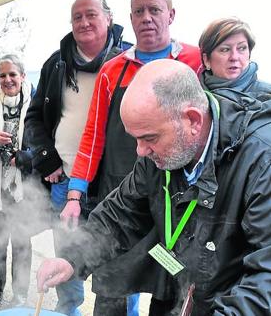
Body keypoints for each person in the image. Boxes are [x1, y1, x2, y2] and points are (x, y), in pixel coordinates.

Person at [37, 58, 271, 315]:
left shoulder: (262, 160)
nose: (140, 150)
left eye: (149, 138)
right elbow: (121, 213)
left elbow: (265, 276)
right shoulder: (159, 155)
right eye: (136, 138)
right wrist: (72, 258)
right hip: (177, 294)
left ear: (193, 120)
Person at [63, 0, 201, 313]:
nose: (146, 17)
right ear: (130, 17)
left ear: (171, 15)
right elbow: (93, 134)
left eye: (155, 9)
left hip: (175, 206)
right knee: (112, 286)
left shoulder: (195, 60)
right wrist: (74, 193)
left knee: (173, 288)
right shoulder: (113, 69)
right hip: (122, 198)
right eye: (139, 11)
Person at [24, 0, 128, 315]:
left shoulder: (130, 61)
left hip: (116, 186)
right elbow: (34, 117)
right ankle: (69, 310)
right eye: (77, 17)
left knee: (120, 260)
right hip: (66, 179)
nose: (83, 22)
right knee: (66, 253)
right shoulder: (57, 62)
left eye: (91, 15)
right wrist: (46, 158)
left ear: (108, 19)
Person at [0, 54, 47, 308]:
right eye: (2, 75)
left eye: (13, 74)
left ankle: (21, 294)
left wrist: (26, 157)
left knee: (22, 241)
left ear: (23, 76)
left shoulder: (37, 103)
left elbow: (46, 145)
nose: (7, 80)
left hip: (26, 188)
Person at [198, 17, 271, 103]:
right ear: (206, 60)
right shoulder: (193, 99)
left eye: (241, 48)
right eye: (225, 49)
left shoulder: (267, 95)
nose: (234, 57)